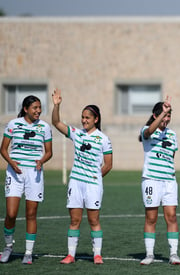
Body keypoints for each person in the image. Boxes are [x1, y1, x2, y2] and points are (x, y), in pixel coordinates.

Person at [51, 88, 113, 265]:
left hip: (93, 185)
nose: (84, 120)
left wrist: (95, 177)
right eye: (83, 117)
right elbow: (56, 122)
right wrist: (56, 106)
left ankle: (97, 255)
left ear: (96, 119)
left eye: (88, 117)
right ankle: (71, 255)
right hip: (76, 183)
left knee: (94, 220)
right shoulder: (77, 134)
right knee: (74, 220)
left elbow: (108, 164)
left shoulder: (103, 139)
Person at [0, 95, 53, 264]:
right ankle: (8, 247)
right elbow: (3, 149)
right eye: (35, 108)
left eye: (39, 108)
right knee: (11, 213)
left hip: (34, 173)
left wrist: (41, 161)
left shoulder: (44, 127)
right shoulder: (13, 124)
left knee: (31, 214)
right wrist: (12, 163)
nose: (38, 111)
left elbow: (49, 152)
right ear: (25, 109)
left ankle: (28, 253)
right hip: (14, 172)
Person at [138, 96, 180, 265]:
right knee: (151, 218)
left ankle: (174, 254)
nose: (167, 118)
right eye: (164, 115)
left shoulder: (172, 134)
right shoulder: (147, 130)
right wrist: (162, 113)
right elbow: (148, 132)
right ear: (156, 116)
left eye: (169, 115)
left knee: (171, 216)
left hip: (169, 181)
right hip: (151, 180)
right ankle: (149, 254)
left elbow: (172, 156)